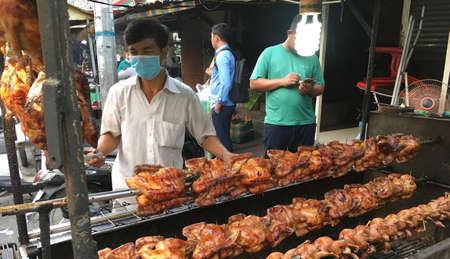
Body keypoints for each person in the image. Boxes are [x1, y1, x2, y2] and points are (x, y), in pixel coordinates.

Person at [87, 19, 237, 202]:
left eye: (147, 50)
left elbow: (205, 135)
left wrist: (225, 154)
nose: (140, 57)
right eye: (134, 52)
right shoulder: (118, 93)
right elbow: (111, 135)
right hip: (128, 193)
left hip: (170, 193)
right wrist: (100, 153)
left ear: (164, 52)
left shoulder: (185, 96)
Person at [250, 14, 325, 154]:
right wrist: (281, 81)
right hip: (277, 125)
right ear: (289, 33)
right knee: (273, 171)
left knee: (305, 170)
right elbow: (254, 83)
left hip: (306, 124)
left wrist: (308, 89)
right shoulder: (269, 53)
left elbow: (320, 87)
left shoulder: (312, 58)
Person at [210, 23, 235, 152]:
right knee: (223, 138)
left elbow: (226, 83)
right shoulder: (226, 53)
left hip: (222, 104)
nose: (211, 40)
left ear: (217, 38)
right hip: (224, 103)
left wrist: (218, 103)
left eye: (211, 36)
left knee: (223, 141)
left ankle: (229, 168)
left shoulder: (222, 56)